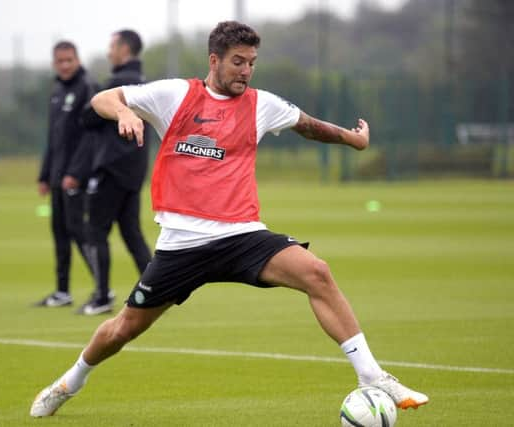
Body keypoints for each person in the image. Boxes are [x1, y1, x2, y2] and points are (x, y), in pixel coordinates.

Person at [30, 21, 428, 417]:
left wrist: (351, 138)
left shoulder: (262, 104)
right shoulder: (174, 94)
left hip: (242, 236)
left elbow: (308, 126)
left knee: (317, 272)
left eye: (252, 62)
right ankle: (71, 381)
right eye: (238, 61)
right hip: (183, 244)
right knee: (124, 329)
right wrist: (123, 113)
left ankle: (371, 376)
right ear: (214, 59)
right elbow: (103, 97)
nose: (245, 71)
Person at [74, 30, 153, 315]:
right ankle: (159, 291)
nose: (109, 52)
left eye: (112, 45)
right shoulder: (146, 84)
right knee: (132, 233)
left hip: (110, 168)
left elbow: (87, 116)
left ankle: (101, 296)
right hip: (135, 169)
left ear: (124, 48)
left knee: (95, 231)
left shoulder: (118, 85)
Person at [35, 41, 100, 307]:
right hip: (57, 177)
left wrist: (75, 172)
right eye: (59, 61)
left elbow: (90, 138)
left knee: (79, 231)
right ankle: (62, 291)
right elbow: (54, 138)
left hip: (77, 177)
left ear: (77, 60)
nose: (64, 65)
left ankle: (102, 286)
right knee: (59, 231)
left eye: (68, 60)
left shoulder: (87, 88)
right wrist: (45, 175)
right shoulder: (57, 91)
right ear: (54, 63)